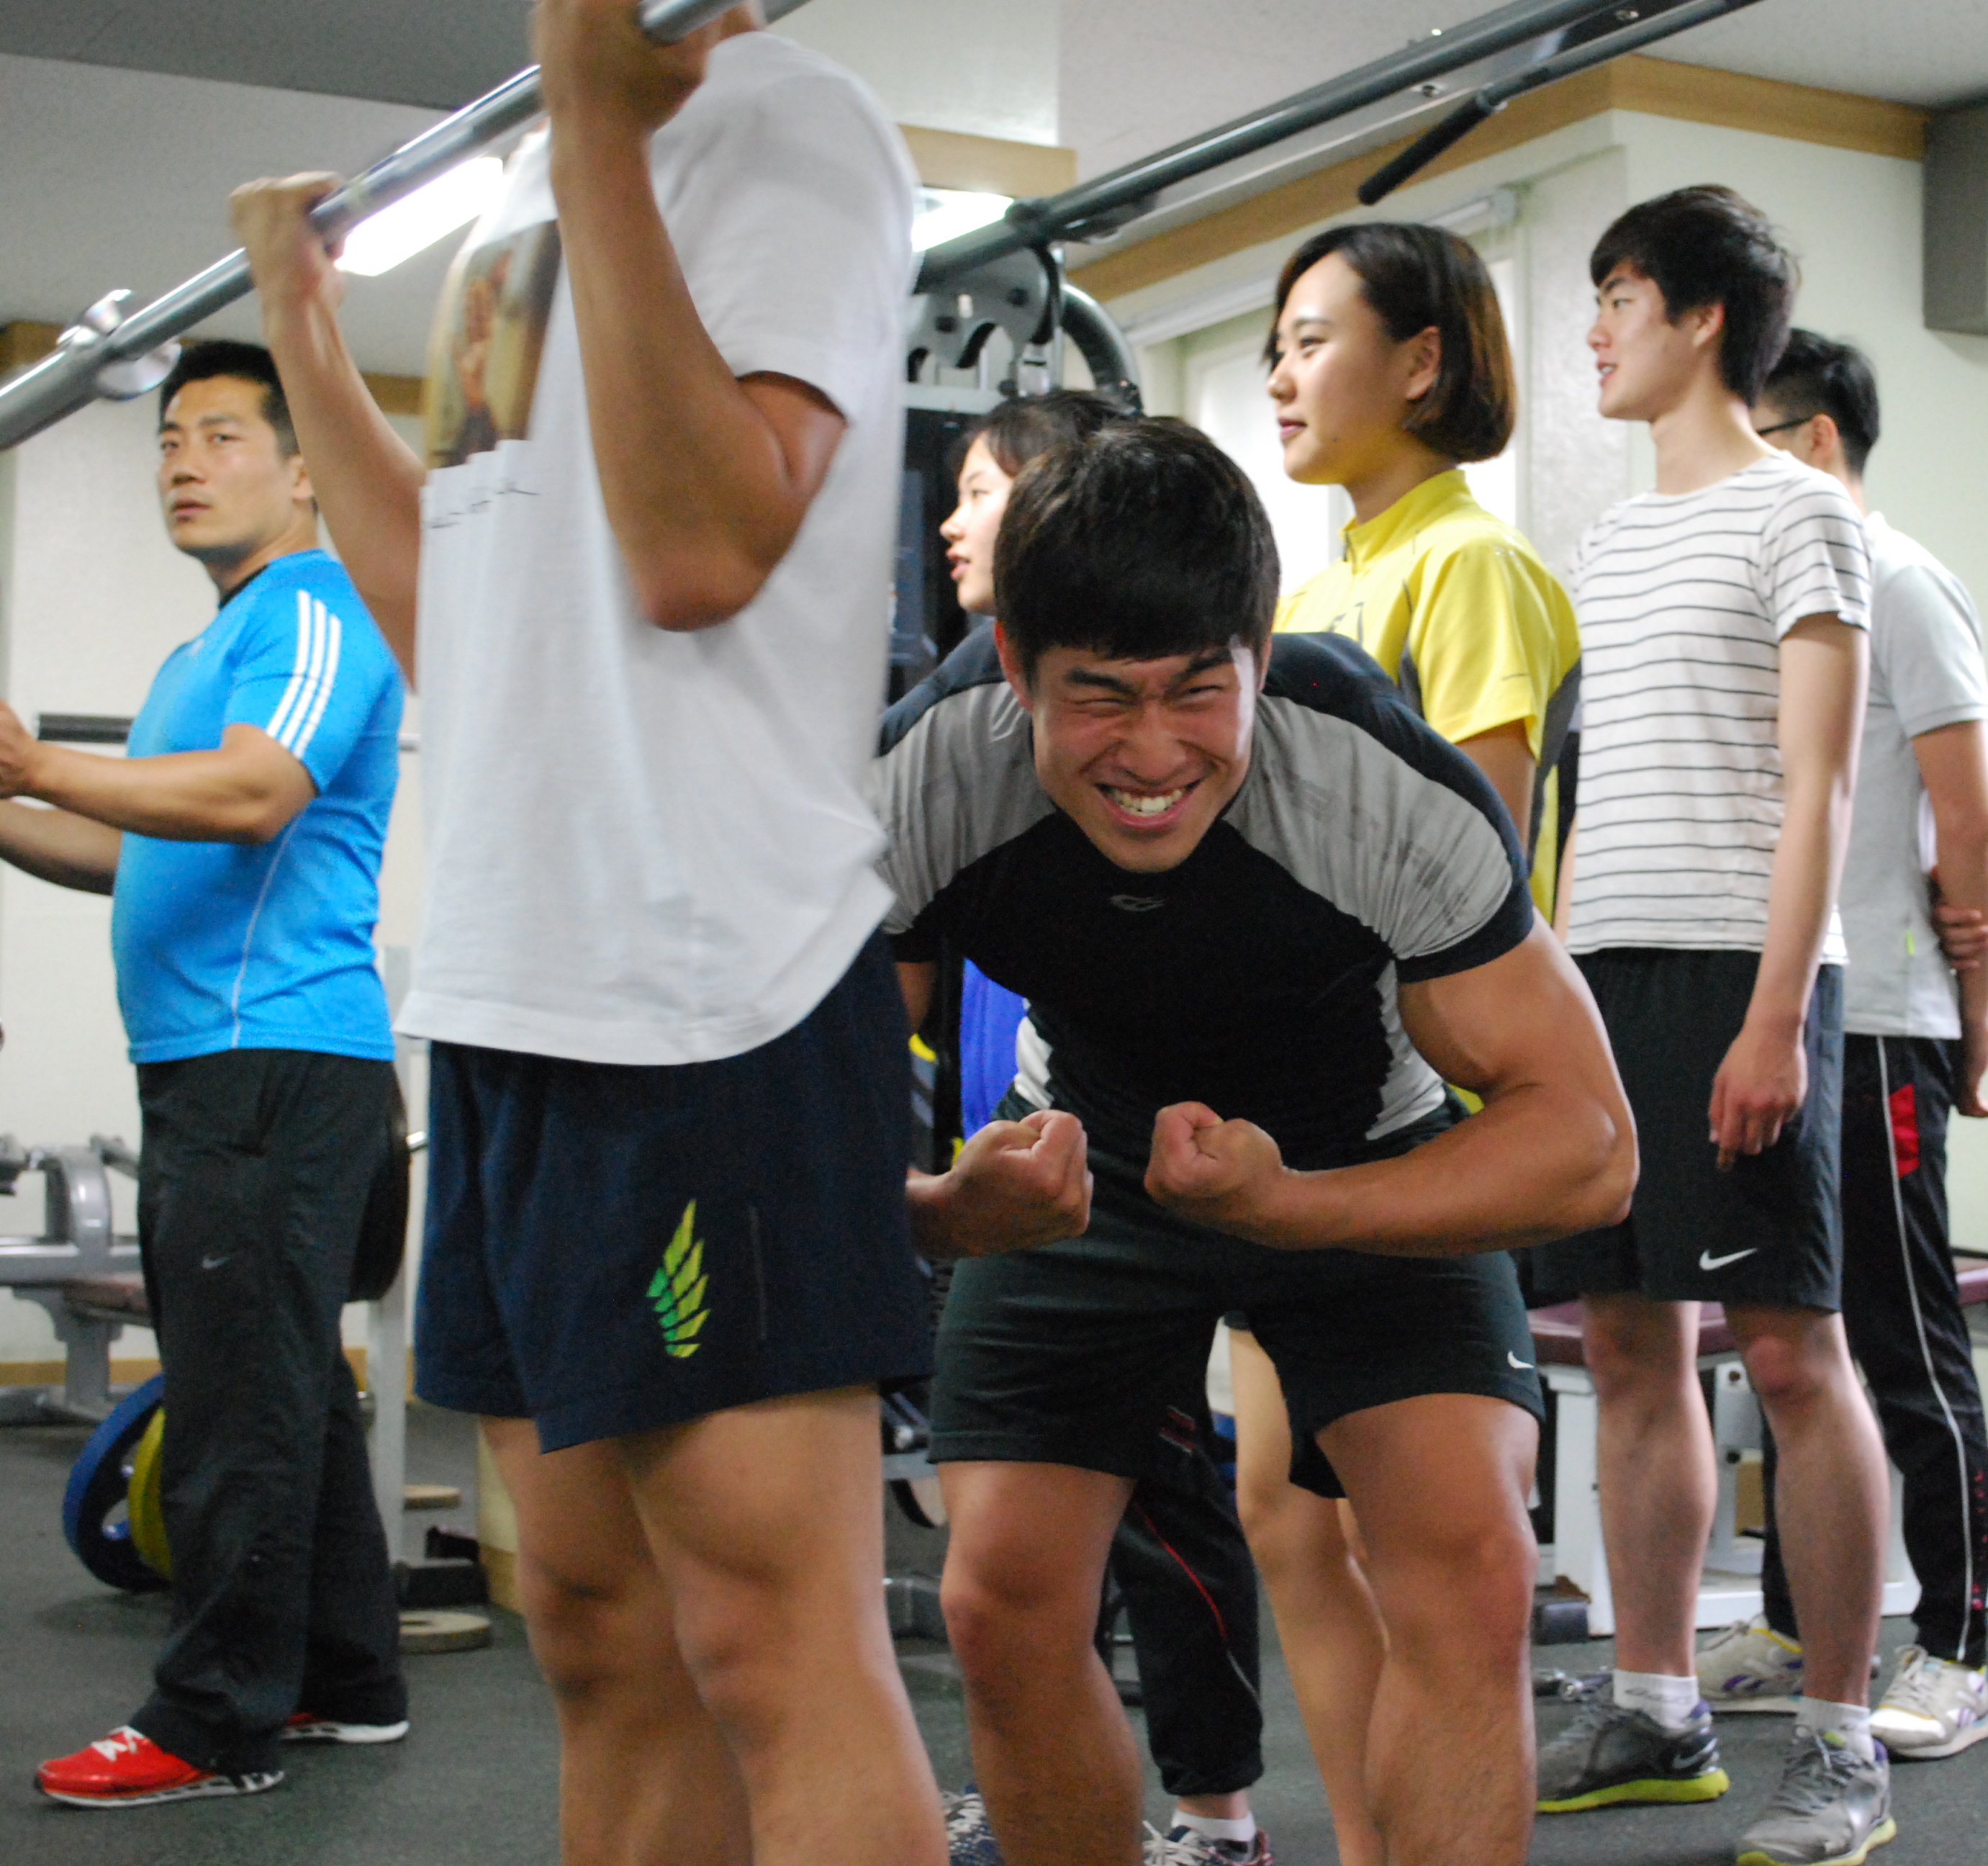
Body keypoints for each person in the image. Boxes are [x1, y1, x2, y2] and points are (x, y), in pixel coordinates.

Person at [229, 5, 1077, 1860]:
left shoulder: (788, 127)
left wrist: (607, 134)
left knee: (772, 1649)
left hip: (709, 996)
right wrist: (303, 325)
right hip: (515, 995)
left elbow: (703, 549)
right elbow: (451, 614)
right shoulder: (518, 203)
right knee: (599, 1642)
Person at [876, 417, 1635, 1866]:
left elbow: (1590, 1145)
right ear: (1015, 667)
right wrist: (941, 1210)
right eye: (1099, 697)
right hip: (1082, 1163)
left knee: (1473, 1568)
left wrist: (1297, 1208)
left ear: (1260, 660)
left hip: (1363, 1150)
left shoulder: (1374, 781)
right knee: (998, 1601)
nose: (1153, 753)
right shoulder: (929, 776)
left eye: (1196, 692)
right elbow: (814, 1115)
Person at [1527, 186, 1894, 1866]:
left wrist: (1775, 1020)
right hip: (1606, 980)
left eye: (1618, 296)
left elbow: (1818, 789)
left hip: (1745, 974)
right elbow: (1592, 798)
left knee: (1792, 1354)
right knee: (1625, 1345)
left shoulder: (1798, 513)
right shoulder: (1607, 543)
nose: (1596, 329)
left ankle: (1839, 1742)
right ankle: (1656, 1707)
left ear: (1699, 318)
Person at [7, 342, 409, 1808]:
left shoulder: (315, 612)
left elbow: (253, 797)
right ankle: (345, 1680)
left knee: (241, 1407)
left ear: (303, 470)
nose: (183, 460)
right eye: (169, 439)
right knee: (281, 1385)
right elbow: (132, 848)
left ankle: (213, 1723)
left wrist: (38, 764)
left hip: (273, 1062)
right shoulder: (211, 649)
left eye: (222, 435)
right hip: (216, 1065)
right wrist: (10, 797)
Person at [1236, 217, 1582, 1866]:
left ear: (1422, 361)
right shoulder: (1313, 592)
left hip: (1419, 1107)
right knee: (1284, 1517)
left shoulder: (1468, 566)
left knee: (1417, 1544)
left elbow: (1472, 858)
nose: (1282, 373)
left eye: (1312, 338)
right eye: (1275, 346)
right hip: (1287, 1103)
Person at [913, 389, 1275, 1866]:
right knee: (1017, 1571)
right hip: (1036, 1131)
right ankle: (1079, 1807)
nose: (956, 522)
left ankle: (1215, 1814)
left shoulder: (1261, 719)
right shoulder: (954, 712)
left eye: (984, 490)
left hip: (1211, 1142)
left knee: (1174, 1500)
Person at [1689, 327, 1988, 1762]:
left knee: (1900, 1344)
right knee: (1786, 1340)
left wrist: (1975, 1019)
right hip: (1783, 1010)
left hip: (1880, 1020)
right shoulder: (1777, 592)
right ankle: (1792, 1623)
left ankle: (1956, 1650)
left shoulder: (1906, 583)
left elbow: (1971, 819)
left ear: (1816, 442)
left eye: (1754, 439)